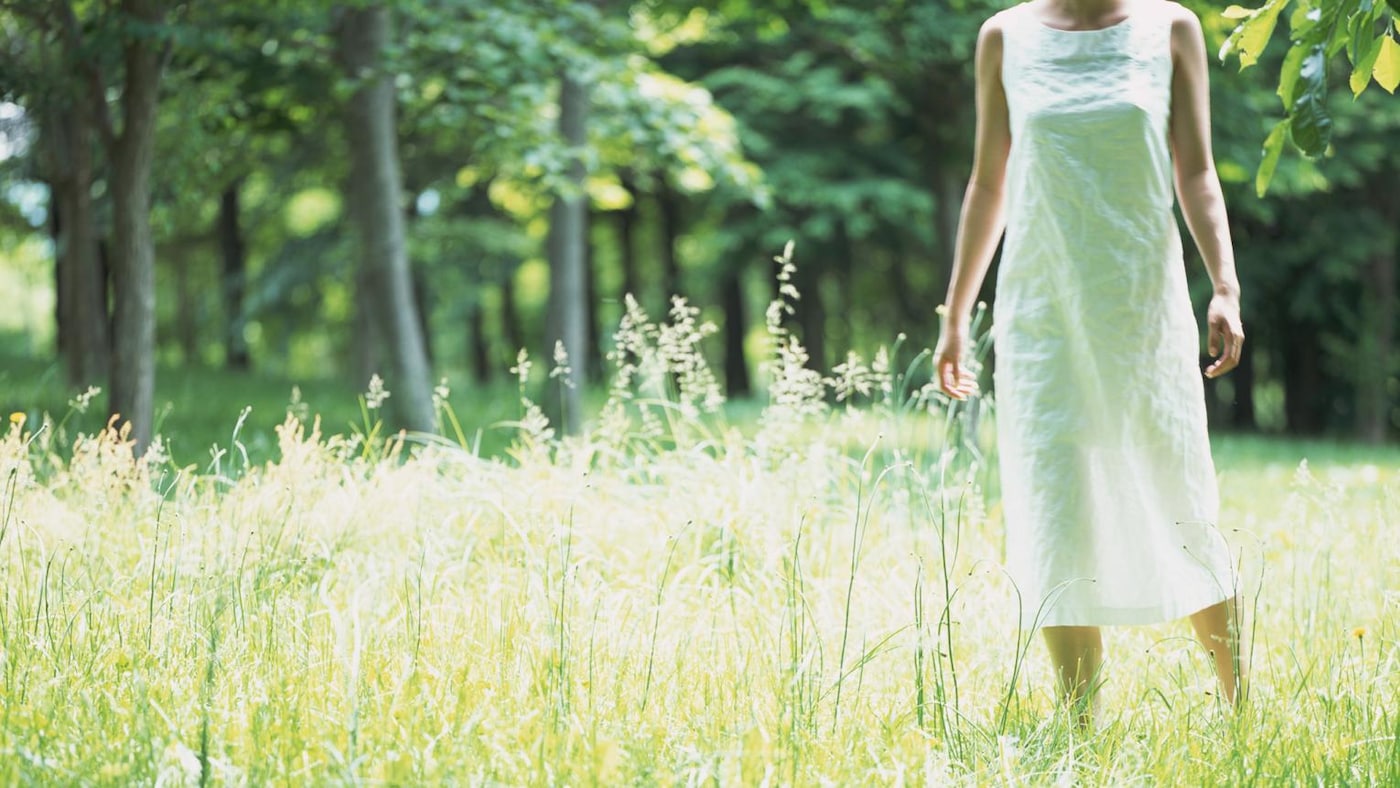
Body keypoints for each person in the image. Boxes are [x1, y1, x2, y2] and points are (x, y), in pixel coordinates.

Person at [934, 0, 1247, 724]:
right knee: (1056, 502)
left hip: (1142, 307)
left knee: (1181, 496)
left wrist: (1225, 286)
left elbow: (1197, 171)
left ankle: (1242, 715)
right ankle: (1081, 728)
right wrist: (955, 316)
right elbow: (988, 183)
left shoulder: (1171, 28)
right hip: (1042, 312)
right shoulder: (1003, 37)